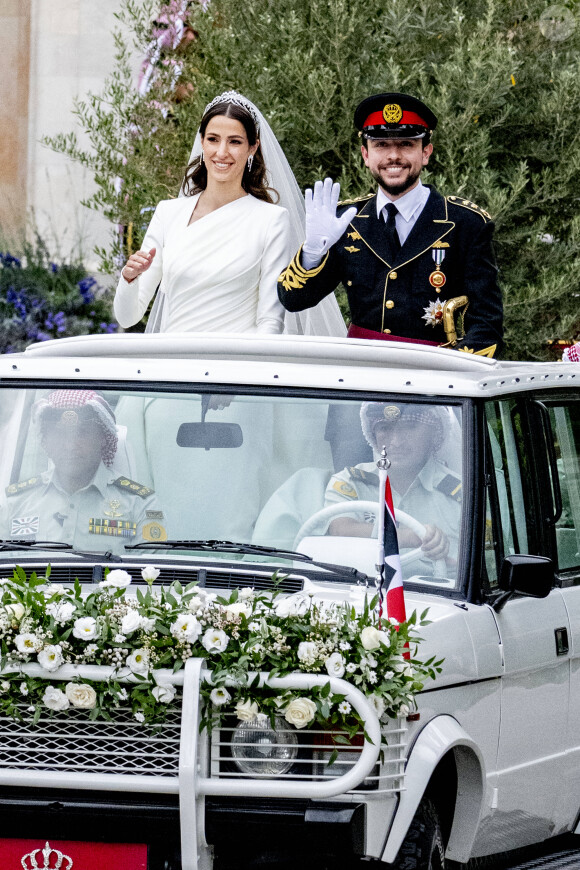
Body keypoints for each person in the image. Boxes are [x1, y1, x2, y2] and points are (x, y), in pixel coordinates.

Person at [278, 91, 503, 357]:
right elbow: (293, 300)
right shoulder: (345, 220)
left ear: (426, 152)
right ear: (365, 154)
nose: (393, 156)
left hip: (436, 381)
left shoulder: (465, 224)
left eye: (406, 144)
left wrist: (449, 375)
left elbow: (488, 326)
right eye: (381, 145)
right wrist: (312, 252)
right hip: (362, 374)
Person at [114, 90, 345, 336]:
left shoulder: (271, 220)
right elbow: (127, 317)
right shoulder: (167, 213)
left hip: (234, 366)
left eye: (234, 141)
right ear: (201, 142)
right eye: (213, 139)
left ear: (252, 148)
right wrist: (129, 279)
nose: (222, 152)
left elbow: (270, 321)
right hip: (173, 364)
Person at [0, 391, 166, 554]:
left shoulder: (140, 504)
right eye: (60, 434)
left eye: (83, 433)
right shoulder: (15, 502)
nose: (70, 446)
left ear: (102, 437)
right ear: (46, 440)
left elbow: (152, 576)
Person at [324, 402, 462, 570]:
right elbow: (340, 530)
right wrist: (411, 537)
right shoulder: (350, 481)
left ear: (434, 432)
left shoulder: (464, 494)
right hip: (362, 592)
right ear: (373, 435)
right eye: (385, 428)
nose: (396, 441)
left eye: (410, 427)